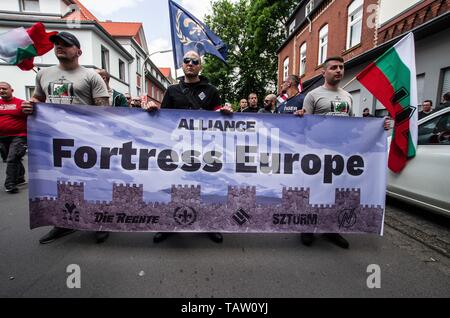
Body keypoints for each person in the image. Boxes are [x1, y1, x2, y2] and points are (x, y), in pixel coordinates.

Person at [22, 31, 110, 245]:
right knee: (61, 184)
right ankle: (63, 223)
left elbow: (105, 110)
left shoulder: (91, 76)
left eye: (65, 44)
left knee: (91, 182)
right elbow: (37, 98)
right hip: (53, 140)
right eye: (57, 44)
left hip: (84, 141)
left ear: (78, 51)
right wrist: (30, 104)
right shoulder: (43, 74)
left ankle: (100, 221)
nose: (59, 47)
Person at [147, 50, 232, 244]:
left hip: (205, 148)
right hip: (179, 148)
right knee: (174, 187)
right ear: (182, 65)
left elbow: (219, 117)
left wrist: (226, 113)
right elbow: (164, 120)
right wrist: (153, 112)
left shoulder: (211, 91)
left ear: (200, 66)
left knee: (206, 187)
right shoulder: (172, 91)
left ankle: (210, 224)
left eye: (195, 61)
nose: (190, 63)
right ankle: (168, 225)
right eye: (187, 61)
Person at [0, 82, 27, 194]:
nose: (1, 91)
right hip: (2, 137)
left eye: (4, 89)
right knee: (11, 158)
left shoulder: (21, 103)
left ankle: (10, 184)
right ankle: (20, 177)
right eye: (0, 89)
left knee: (12, 158)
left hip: (19, 136)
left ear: (12, 90)